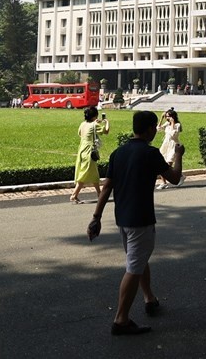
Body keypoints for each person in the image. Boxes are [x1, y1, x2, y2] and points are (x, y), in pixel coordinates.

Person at [87, 110, 185, 336]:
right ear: (151, 128)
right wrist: (178, 154)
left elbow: (107, 187)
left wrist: (96, 217)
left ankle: (149, 297)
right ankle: (121, 319)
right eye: (154, 128)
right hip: (141, 219)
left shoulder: (118, 153)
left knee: (138, 259)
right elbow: (174, 178)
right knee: (133, 267)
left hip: (122, 217)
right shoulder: (150, 153)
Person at [70, 107, 110, 203]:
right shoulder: (94, 125)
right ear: (95, 116)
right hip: (89, 152)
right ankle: (74, 195)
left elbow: (80, 133)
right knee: (84, 173)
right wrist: (106, 122)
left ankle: (99, 194)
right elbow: (106, 131)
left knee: (93, 173)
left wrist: (95, 123)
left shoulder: (83, 124)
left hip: (82, 150)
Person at [156, 109, 184, 189]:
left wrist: (172, 123)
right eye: (166, 116)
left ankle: (180, 175)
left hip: (173, 145)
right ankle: (164, 182)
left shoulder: (177, 125)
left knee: (168, 164)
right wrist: (161, 118)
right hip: (165, 145)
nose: (167, 118)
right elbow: (158, 129)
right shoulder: (167, 124)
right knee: (161, 163)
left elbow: (173, 134)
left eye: (168, 116)